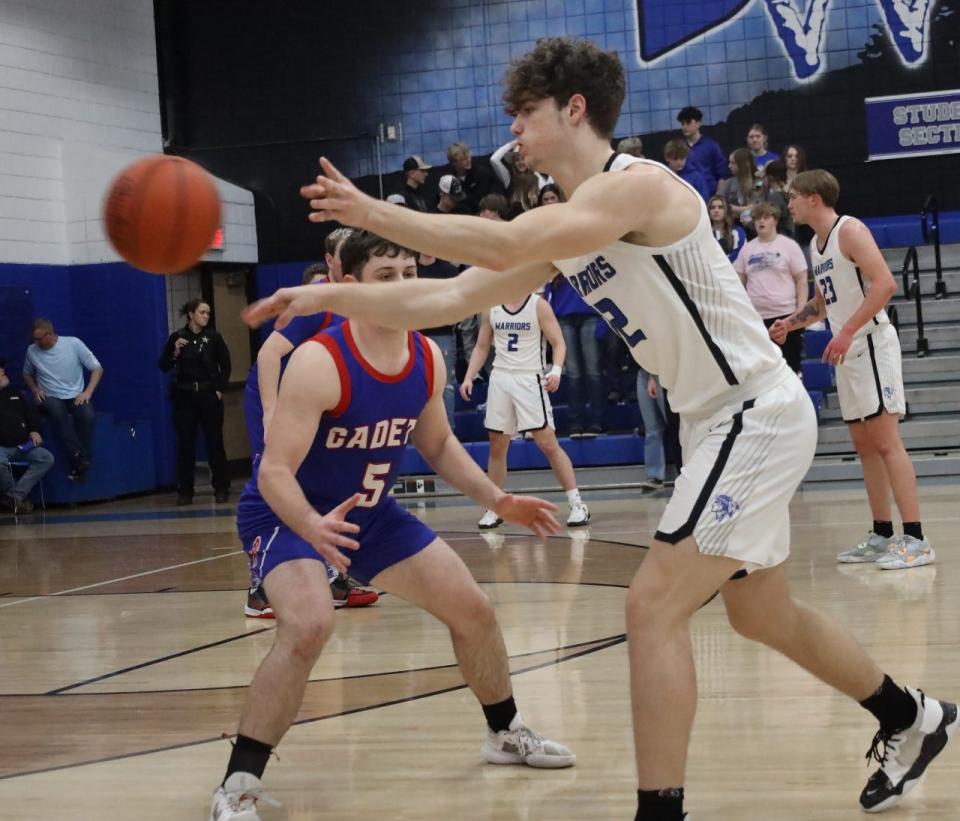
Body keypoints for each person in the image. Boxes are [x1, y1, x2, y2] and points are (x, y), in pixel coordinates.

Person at [250, 37, 956, 819]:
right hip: (717, 424)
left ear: (573, 108)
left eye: (525, 112)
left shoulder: (636, 187)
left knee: (650, 606)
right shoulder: (567, 222)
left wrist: (373, 211)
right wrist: (327, 300)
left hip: (752, 411)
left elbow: (512, 241)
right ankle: (910, 715)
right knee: (763, 613)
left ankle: (661, 811)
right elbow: (444, 302)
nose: (513, 129)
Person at [212, 230, 573, 820]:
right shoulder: (319, 361)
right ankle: (238, 782)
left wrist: (496, 497)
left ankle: (504, 734)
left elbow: (437, 444)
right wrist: (311, 525)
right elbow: (274, 472)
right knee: (309, 625)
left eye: (410, 274)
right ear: (349, 287)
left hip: (370, 515)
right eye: (387, 278)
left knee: (474, 609)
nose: (403, 288)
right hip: (289, 513)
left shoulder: (426, 355)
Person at [770, 169, 935, 572]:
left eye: (793, 196)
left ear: (813, 197)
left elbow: (885, 285)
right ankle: (881, 533)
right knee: (864, 446)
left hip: (872, 344)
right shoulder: (815, 244)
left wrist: (846, 331)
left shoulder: (851, 230)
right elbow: (822, 301)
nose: (788, 203)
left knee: (887, 443)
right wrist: (790, 323)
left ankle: (915, 538)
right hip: (848, 349)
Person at [242, 249, 379, 616]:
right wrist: (270, 414)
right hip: (272, 398)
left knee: (326, 481)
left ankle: (333, 575)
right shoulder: (315, 306)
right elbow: (268, 356)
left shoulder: (357, 308)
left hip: (308, 402)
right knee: (271, 482)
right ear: (333, 263)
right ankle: (259, 587)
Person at [460, 291, 590, 529]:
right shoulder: (490, 305)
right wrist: (469, 376)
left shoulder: (538, 305)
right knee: (497, 445)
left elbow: (558, 343)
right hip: (500, 378)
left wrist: (557, 370)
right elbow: (481, 345)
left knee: (548, 444)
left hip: (529, 379)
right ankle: (494, 506)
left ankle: (577, 504)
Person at [158, 300, 231, 505]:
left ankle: (221, 487)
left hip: (208, 394)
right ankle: (185, 490)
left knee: (214, 442)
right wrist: (175, 352)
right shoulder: (178, 337)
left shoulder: (214, 337)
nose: (206, 316)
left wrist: (219, 389)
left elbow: (225, 364)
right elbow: (163, 365)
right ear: (191, 314)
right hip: (185, 396)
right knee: (185, 444)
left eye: (208, 313)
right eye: (202, 312)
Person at [23, 319, 102, 480]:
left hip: (74, 396)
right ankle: (78, 456)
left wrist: (87, 392)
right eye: (34, 339)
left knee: (87, 415)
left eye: (39, 339)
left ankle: (81, 461)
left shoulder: (73, 344)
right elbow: (26, 373)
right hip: (49, 397)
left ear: (50, 334)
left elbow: (97, 368)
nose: (36, 342)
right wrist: (35, 389)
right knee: (56, 411)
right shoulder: (32, 351)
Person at [734, 202, 808, 373]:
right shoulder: (747, 250)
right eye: (758, 218)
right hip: (758, 318)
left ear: (775, 220)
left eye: (766, 217)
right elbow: (739, 283)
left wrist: (801, 309)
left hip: (786, 314)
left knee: (791, 366)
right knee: (766, 369)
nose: (761, 221)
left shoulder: (789, 246)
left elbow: (801, 279)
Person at [0, 357, 54, 514]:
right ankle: (16, 497)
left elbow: (32, 415)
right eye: (0, 371)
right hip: (2, 447)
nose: (3, 372)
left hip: (24, 445)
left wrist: (35, 430)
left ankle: (14, 496)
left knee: (46, 458)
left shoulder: (17, 393)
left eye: (3, 370)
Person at [677, 105, 727, 196]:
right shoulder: (679, 148)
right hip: (688, 198)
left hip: (710, 198)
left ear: (698, 123)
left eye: (688, 122)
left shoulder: (712, 146)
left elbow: (722, 176)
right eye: (682, 124)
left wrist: (718, 197)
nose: (684, 127)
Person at [636, 369, 668, 492]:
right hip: (643, 370)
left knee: (677, 426)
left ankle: (687, 469)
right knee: (652, 428)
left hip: (663, 370)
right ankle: (655, 475)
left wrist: (652, 377)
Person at [708, 195, 746, 263]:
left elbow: (740, 254)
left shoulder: (738, 232)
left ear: (726, 210)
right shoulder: (704, 233)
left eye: (720, 207)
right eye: (712, 208)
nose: (716, 210)